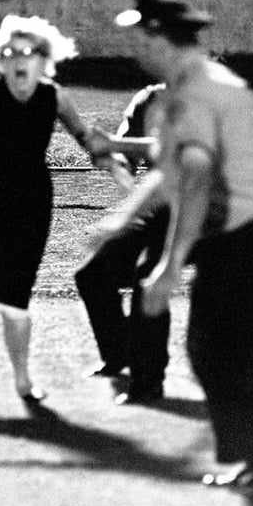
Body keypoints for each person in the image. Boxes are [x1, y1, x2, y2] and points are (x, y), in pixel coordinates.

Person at [92, 0, 253, 500]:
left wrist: (168, 265)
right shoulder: (185, 88)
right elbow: (168, 174)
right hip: (238, 242)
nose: (134, 48)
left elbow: (197, 181)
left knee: (221, 357)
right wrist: (123, 217)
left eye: (139, 38)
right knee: (212, 354)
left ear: (162, 38)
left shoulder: (198, 93)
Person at [0, 15, 115, 402]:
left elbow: (85, 137)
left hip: (28, 208)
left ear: (43, 59)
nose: (17, 58)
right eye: (8, 52)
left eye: (27, 51)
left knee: (15, 298)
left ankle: (21, 381)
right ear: (0, 61)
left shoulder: (55, 97)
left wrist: (110, 160)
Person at [75, 82, 171, 404]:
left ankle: (149, 380)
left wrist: (115, 144)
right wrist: (114, 158)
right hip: (158, 203)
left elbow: (172, 147)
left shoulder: (205, 96)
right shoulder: (148, 99)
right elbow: (126, 154)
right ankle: (118, 357)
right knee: (92, 273)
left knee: (149, 277)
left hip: (208, 207)